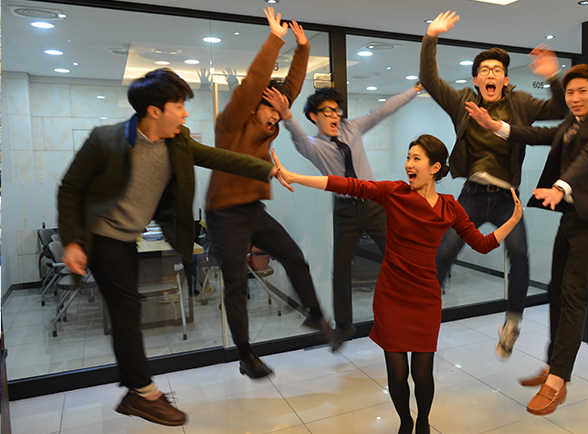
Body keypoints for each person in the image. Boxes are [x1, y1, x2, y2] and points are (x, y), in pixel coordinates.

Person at [57, 68, 289, 426]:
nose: (184, 113)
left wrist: (266, 170)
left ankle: (136, 391)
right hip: (102, 235)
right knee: (127, 308)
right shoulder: (105, 141)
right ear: (154, 110)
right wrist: (72, 240)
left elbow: (217, 157)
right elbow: (70, 189)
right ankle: (143, 392)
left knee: (127, 309)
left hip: (129, 238)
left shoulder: (177, 141)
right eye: (178, 106)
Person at [270, 134, 522, 434]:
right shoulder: (394, 193)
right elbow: (347, 185)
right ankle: (405, 422)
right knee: (398, 373)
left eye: (416, 159)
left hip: (426, 299)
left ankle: (423, 422)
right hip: (391, 296)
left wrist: (512, 220)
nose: (408, 164)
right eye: (407, 157)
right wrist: (295, 177)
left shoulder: (450, 207)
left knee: (423, 374)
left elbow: (481, 243)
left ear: (435, 167)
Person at [467, 64, 588, 415]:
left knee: (573, 294)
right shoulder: (573, 122)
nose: (574, 98)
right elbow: (539, 134)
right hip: (573, 215)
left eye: (582, 91)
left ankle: (558, 380)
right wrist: (495, 126)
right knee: (556, 290)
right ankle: (553, 365)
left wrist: (560, 186)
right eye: (569, 92)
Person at [419, 11, 568, 359]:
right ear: (476, 79)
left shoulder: (521, 103)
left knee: (520, 257)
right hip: (471, 195)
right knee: (443, 253)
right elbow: (429, 80)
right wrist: (431, 36)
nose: (491, 74)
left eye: (497, 70)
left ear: (505, 79)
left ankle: (511, 324)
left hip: (506, 199)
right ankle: (424, 314)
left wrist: (553, 76)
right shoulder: (462, 102)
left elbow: (560, 109)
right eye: (485, 70)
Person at [204, 7, 333, 380]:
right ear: (255, 104)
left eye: (280, 112)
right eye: (271, 109)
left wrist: (303, 47)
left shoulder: (269, 121)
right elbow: (252, 85)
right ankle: (246, 355)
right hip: (224, 212)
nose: (277, 117)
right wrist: (276, 39)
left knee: (294, 256)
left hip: (252, 209)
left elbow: (289, 89)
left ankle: (315, 314)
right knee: (236, 283)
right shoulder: (231, 122)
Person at [267, 84, 422, 349]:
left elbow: (383, 110)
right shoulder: (314, 146)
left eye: (337, 110)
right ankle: (344, 326)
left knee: (397, 257)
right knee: (340, 269)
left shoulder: (352, 128)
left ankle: (413, 310)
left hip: (374, 204)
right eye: (327, 111)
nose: (334, 115)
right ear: (314, 116)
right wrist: (286, 114)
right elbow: (298, 136)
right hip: (346, 210)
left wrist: (415, 89)